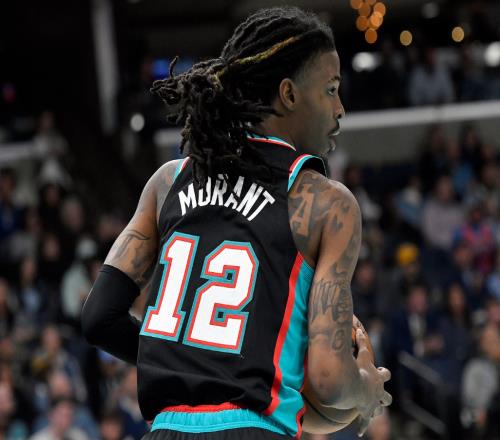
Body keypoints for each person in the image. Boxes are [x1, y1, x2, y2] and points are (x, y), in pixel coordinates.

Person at [82, 6, 391, 440]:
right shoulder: (327, 203)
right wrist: (365, 390)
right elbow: (329, 380)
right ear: (289, 94)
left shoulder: (167, 182)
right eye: (331, 89)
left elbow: (99, 316)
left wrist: (193, 363)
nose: (340, 108)